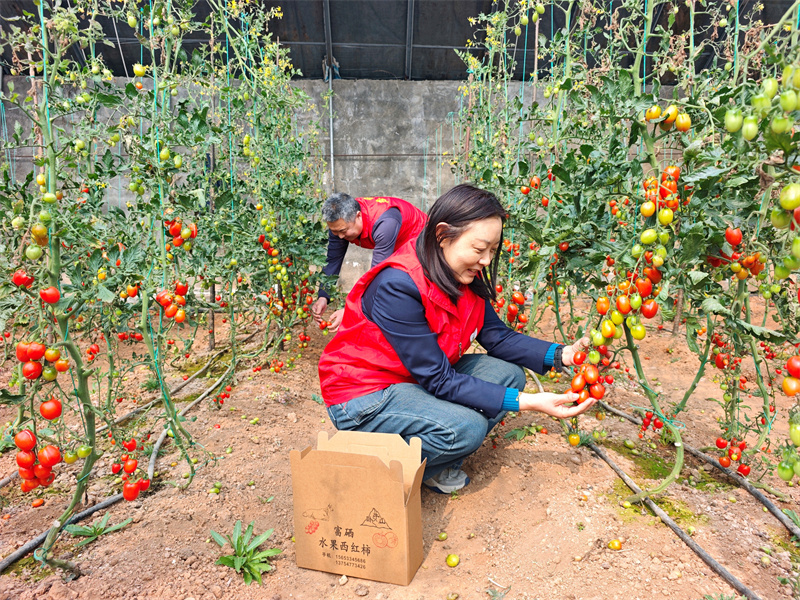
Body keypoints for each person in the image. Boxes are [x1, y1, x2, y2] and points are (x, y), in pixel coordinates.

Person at [318, 184, 596, 494]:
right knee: (466, 429)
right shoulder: (398, 285)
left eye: (493, 250)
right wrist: (529, 403)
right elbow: (440, 380)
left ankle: (431, 454)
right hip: (365, 394)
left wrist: (564, 355)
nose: (487, 260)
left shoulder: (462, 275)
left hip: (410, 378)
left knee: (509, 375)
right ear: (442, 235)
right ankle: (376, 465)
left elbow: (497, 338)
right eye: (479, 249)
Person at [311, 193, 427, 332]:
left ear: (358, 216)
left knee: (403, 288)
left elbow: (377, 274)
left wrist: (350, 310)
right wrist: (324, 296)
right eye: (335, 232)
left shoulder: (385, 223)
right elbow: (333, 260)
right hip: (396, 243)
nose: (340, 236)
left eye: (343, 231)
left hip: (421, 241)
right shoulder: (339, 225)